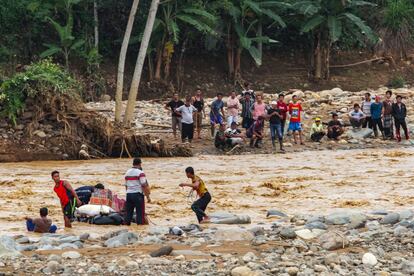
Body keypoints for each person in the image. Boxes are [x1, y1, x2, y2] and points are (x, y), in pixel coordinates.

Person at [124, 158, 151, 225]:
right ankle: (140, 228)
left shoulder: (127, 172)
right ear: (140, 164)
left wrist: (128, 193)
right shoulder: (140, 173)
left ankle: (126, 227)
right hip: (138, 195)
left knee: (128, 214)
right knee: (140, 214)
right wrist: (148, 197)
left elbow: (126, 185)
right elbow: (144, 185)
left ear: (133, 163)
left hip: (129, 195)